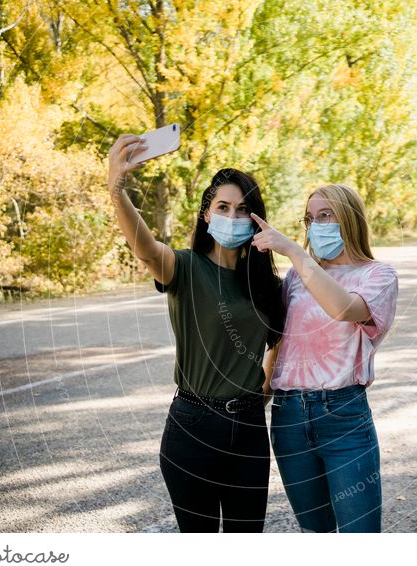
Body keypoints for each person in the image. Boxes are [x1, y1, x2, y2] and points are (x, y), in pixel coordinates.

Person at [107, 134, 283, 532]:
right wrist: (116, 191)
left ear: (256, 218)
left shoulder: (265, 283)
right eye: (223, 207)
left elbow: (278, 341)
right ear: (206, 215)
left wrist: (263, 389)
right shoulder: (183, 268)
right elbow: (147, 249)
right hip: (193, 427)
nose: (233, 217)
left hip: (250, 430)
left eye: (243, 210)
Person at [250, 183, 399, 532]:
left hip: (343, 418)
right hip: (288, 419)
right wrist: (260, 397)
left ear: (349, 218)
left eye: (325, 215)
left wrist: (293, 251)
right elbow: (281, 345)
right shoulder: (296, 278)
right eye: (310, 218)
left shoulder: (378, 275)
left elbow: (344, 308)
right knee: (316, 533)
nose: (316, 225)